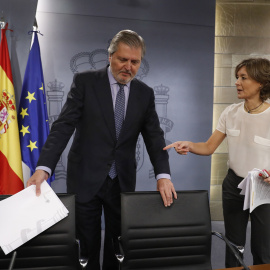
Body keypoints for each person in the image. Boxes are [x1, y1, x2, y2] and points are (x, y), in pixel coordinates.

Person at [26, 29, 177, 270]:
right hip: (85, 177)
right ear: (110, 56)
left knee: (118, 244)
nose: (128, 66)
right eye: (123, 59)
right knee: (85, 245)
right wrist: (44, 168)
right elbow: (63, 126)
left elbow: (154, 137)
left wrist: (163, 175)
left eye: (135, 62)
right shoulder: (85, 82)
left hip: (122, 180)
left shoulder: (145, 94)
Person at [164, 58, 270, 267]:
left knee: (263, 247)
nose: (237, 83)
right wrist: (189, 145)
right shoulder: (230, 112)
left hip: (264, 188)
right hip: (233, 185)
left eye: (243, 78)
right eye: (236, 78)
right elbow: (208, 146)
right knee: (234, 244)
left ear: (261, 82)